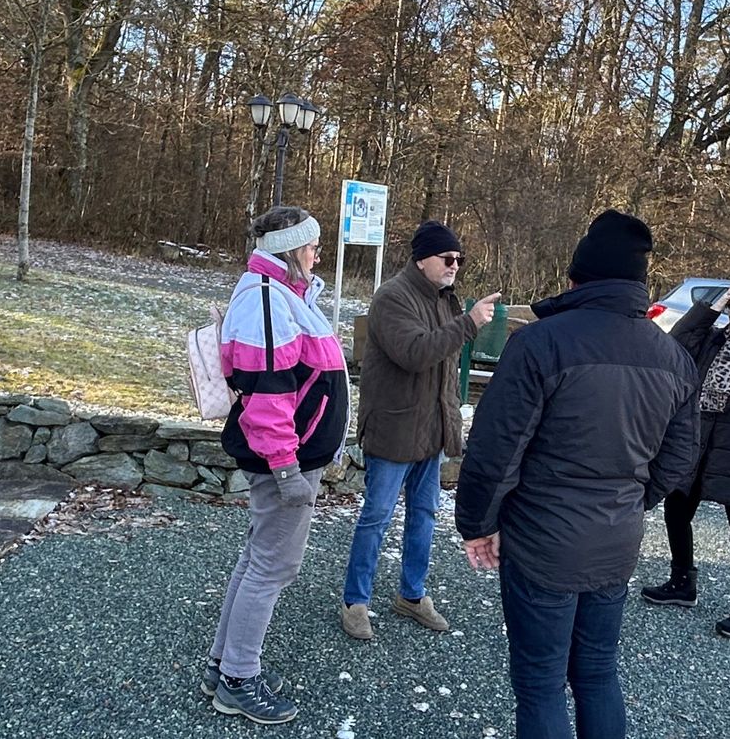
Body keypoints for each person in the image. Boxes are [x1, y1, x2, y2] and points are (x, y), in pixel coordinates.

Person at [456, 209, 700, 739]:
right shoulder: (673, 357)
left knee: (542, 681)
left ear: (576, 278)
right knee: (596, 672)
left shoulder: (542, 343)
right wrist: (632, 500)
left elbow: (496, 451)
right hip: (615, 538)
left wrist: (477, 523)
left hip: (545, 540)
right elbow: (679, 458)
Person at [204, 205, 349, 726]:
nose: (317, 253)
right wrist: (287, 469)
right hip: (283, 461)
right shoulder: (267, 301)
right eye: (311, 245)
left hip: (288, 456)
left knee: (259, 558)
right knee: (272, 566)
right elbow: (269, 395)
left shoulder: (282, 296)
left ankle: (224, 665)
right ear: (290, 250)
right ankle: (239, 679)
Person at [340, 220, 500, 640]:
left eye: (459, 260)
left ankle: (412, 595)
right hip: (394, 430)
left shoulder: (444, 299)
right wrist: (468, 323)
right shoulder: (394, 297)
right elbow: (414, 353)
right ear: (421, 258)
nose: (454, 266)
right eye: (447, 258)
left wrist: (451, 427)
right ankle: (355, 601)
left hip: (429, 433)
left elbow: (445, 374)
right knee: (376, 518)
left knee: (424, 516)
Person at [640, 279, 730, 638]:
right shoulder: (714, 338)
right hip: (700, 437)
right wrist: (711, 307)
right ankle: (681, 582)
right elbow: (677, 340)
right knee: (677, 506)